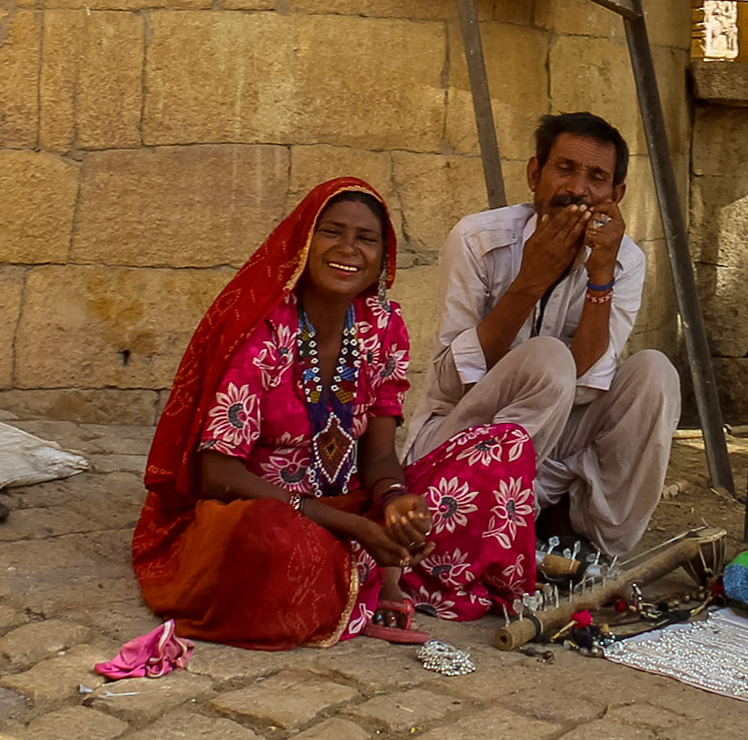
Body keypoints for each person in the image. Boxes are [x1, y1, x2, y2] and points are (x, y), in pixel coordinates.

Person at [131, 179, 540, 647]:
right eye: (332, 232)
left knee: (506, 446)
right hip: (269, 510)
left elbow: (379, 457)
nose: (348, 249)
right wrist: (354, 528)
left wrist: (394, 502)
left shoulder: (383, 327)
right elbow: (216, 474)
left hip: (352, 505)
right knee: (269, 542)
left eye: (366, 238)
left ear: (382, 257)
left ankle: (366, 567)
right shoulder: (263, 330)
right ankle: (372, 575)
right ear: (304, 243)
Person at [407, 112, 680, 558]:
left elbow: (587, 384)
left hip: (553, 443)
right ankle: (493, 528)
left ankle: (586, 543)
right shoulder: (478, 240)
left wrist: (601, 277)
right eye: (564, 169)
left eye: (597, 178)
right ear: (535, 174)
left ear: (616, 195)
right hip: (463, 443)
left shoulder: (625, 260)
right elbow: (454, 383)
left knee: (656, 374)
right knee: (548, 358)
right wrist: (531, 279)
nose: (578, 190)